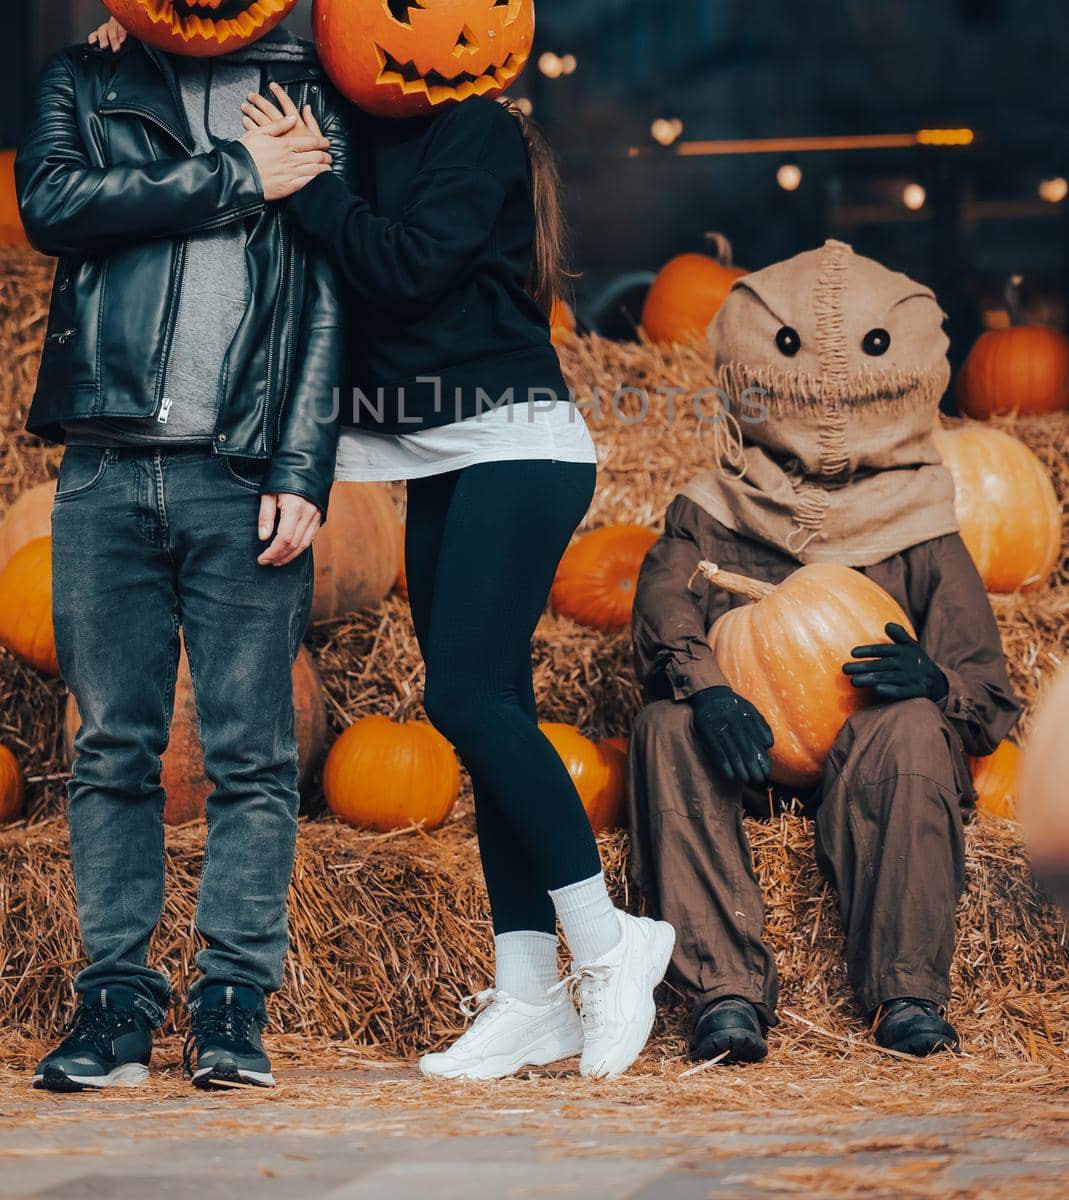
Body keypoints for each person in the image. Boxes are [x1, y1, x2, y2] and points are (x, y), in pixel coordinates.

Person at [238, 78, 675, 1081]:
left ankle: (610, 943)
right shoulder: (351, 127)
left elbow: (407, 266)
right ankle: (528, 994)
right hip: (438, 452)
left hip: (518, 441)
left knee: (464, 696)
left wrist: (309, 189)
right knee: (492, 715)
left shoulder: (474, 128)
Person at [18, 0, 347, 1091]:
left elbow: (321, 291)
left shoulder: (307, 88)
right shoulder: (90, 73)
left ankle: (230, 1006)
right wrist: (238, 177)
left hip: (241, 467)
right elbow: (54, 204)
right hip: (105, 460)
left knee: (253, 758)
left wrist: (305, 465)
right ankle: (114, 1007)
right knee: (112, 747)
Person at [629, 240, 1019, 1063]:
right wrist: (705, 690)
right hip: (749, 761)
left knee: (913, 726)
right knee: (662, 729)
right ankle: (723, 993)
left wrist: (935, 681)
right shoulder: (711, 508)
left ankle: (905, 994)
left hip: (870, 764)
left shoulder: (922, 524)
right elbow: (663, 608)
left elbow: (986, 696)